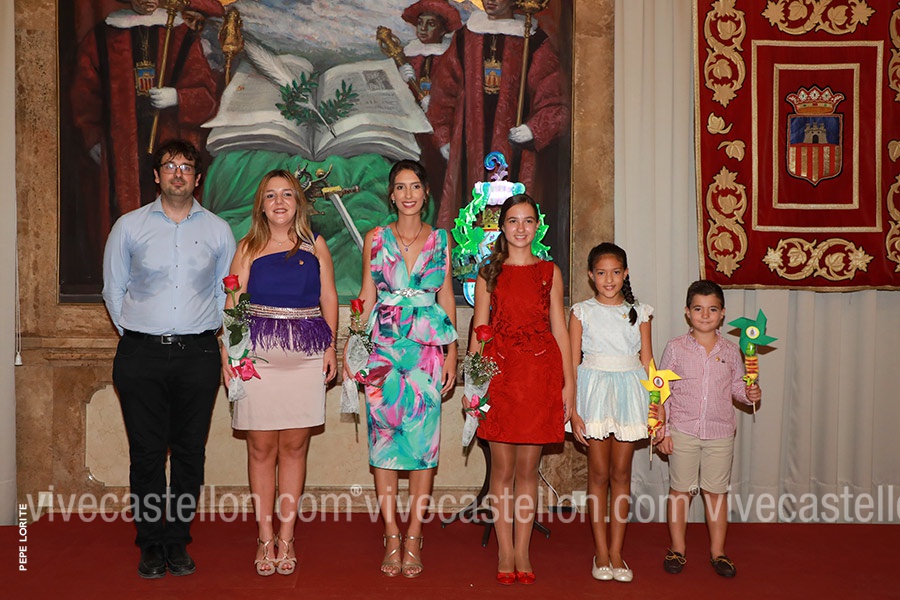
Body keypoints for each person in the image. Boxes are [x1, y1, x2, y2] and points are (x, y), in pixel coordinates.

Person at [102, 138, 236, 579]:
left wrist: (202, 330)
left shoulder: (218, 231)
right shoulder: (129, 227)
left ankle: (177, 540)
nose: (178, 173)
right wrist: (140, 332)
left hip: (197, 354)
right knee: (145, 453)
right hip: (140, 354)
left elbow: (225, 293)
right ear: (156, 175)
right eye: (170, 165)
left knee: (189, 452)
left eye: (187, 167)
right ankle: (150, 543)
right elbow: (113, 290)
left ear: (197, 178)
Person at [223, 170, 339, 577]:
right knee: (260, 448)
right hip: (258, 362)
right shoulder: (247, 247)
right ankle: (264, 535)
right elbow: (233, 304)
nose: (279, 202)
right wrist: (229, 356)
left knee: (294, 447)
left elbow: (328, 296)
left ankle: (286, 537)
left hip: (306, 358)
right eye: (270, 195)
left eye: (287, 194)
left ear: (298, 202)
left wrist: (331, 347)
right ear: (261, 204)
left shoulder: (316, 245)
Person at [346, 160, 458, 578]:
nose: (408, 194)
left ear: (425, 193)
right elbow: (365, 295)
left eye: (415, 186)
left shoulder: (442, 240)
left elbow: (446, 297)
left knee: (423, 448)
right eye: (400, 187)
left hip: (427, 354)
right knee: (384, 445)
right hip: (384, 353)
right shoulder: (375, 238)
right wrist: (354, 347)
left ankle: (414, 535)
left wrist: (452, 353)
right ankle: (391, 533)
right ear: (391, 195)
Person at [466, 193, 574, 585]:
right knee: (502, 469)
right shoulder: (488, 273)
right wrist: (474, 384)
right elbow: (479, 331)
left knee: (529, 469)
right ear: (501, 226)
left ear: (537, 227)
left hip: (540, 376)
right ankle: (505, 550)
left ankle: (523, 550)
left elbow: (560, 328)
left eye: (528, 221)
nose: (520, 228)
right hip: (499, 376)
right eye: (513, 221)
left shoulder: (549, 272)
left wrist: (568, 385)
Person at [71, 0, 222, 263]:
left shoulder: (181, 34)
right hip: (121, 148)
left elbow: (207, 98)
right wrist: (92, 137)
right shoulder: (103, 35)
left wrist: (177, 97)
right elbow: (85, 95)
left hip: (171, 141)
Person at [427, 0, 569, 230]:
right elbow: (443, 92)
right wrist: (443, 137)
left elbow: (554, 100)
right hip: (468, 148)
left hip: (516, 151)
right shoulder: (465, 38)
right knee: (468, 217)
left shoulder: (533, 41)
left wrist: (533, 129)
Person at [656, 280, 762, 578]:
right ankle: (677, 548)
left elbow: (738, 387)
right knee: (680, 491)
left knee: (716, 493)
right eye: (698, 309)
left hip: (720, 434)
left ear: (723, 313)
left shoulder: (731, 350)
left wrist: (750, 394)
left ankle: (718, 552)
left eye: (712, 309)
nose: (705, 315)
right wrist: (663, 431)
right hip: (682, 431)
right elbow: (662, 391)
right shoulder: (675, 348)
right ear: (687, 312)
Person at [568, 243, 654, 583]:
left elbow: (647, 361)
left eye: (616, 272)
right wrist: (573, 410)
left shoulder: (640, 312)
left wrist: (657, 402)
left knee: (621, 474)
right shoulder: (581, 312)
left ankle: (617, 552)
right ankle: (601, 552)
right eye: (602, 273)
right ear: (591, 275)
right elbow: (572, 362)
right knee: (599, 473)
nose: (609, 279)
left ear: (626, 273)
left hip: (630, 394)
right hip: (594, 395)